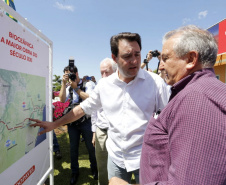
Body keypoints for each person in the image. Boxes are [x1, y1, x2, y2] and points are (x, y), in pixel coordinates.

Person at [30, 32, 169, 184]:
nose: (134, 60)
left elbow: (169, 120)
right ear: (115, 58)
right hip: (116, 158)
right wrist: (55, 124)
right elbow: (81, 109)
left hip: (146, 157)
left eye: (137, 54)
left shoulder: (156, 83)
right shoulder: (104, 85)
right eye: (127, 56)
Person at [110, 25, 226, 185]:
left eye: (165, 59)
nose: (161, 66)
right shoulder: (197, 92)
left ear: (191, 59)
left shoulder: (197, 101)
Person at [59, 65, 98, 185]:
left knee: (91, 147)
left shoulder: (88, 84)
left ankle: (95, 168)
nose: (70, 76)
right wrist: (63, 83)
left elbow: (91, 98)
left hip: (86, 119)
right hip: (73, 121)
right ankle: (74, 171)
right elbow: (62, 100)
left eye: (71, 74)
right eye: (67, 74)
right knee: (73, 148)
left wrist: (76, 88)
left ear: (77, 73)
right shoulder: (67, 85)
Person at [91, 58, 117, 185]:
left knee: (118, 165)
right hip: (101, 131)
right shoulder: (99, 86)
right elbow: (94, 111)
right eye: (101, 73)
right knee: (101, 165)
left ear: (115, 70)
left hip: (117, 132)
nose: (104, 76)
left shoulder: (122, 86)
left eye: (107, 72)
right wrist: (94, 132)